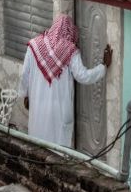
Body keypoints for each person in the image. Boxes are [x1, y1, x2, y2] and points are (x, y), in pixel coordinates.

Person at [18, 14, 112, 147]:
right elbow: (83, 76)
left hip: (38, 104)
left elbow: (25, 75)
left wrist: (25, 95)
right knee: (58, 147)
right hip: (59, 110)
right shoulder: (70, 51)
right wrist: (103, 67)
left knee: (37, 141)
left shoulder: (34, 46)